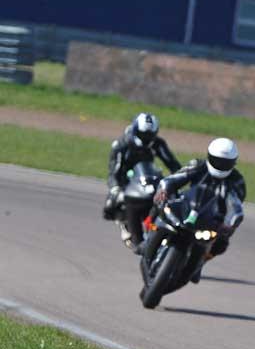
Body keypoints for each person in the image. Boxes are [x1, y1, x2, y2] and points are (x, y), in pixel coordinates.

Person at [151, 137, 246, 282]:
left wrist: (229, 225)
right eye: (217, 161)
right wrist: (164, 191)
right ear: (209, 156)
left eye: (225, 163)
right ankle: (150, 232)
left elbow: (236, 207)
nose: (220, 165)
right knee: (159, 207)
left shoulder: (237, 181)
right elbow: (175, 178)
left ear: (233, 163)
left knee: (221, 243)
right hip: (188, 205)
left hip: (212, 218)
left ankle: (201, 260)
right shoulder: (197, 165)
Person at [103, 112, 182, 247]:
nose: (146, 138)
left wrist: (179, 180)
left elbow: (173, 164)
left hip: (149, 177)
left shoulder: (157, 144)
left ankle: (163, 224)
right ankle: (125, 222)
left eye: (149, 135)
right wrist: (115, 188)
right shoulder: (122, 145)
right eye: (143, 135)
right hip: (127, 181)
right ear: (135, 130)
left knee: (171, 197)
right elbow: (114, 171)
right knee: (112, 203)